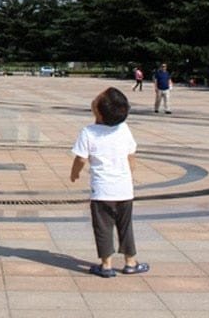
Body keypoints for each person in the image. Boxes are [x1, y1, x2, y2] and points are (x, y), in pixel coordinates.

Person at [70, 87, 149, 278]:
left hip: (102, 191)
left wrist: (75, 173)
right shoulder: (124, 129)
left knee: (103, 226)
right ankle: (130, 262)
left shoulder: (88, 132)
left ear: (98, 110)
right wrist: (129, 173)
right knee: (125, 225)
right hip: (124, 189)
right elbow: (131, 156)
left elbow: (80, 159)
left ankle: (106, 265)